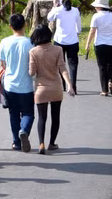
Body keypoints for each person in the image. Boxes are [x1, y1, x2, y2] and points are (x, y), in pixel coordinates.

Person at [29, 23, 74, 154]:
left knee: (42, 117)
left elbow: (32, 72)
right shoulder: (58, 49)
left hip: (41, 89)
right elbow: (63, 69)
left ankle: (41, 143)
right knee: (55, 117)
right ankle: (52, 143)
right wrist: (69, 85)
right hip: (56, 88)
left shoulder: (33, 52)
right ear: (49, 35)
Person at [0, 13, 36, 152]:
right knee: (28, 113)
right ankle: (24, 130)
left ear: (10, 26)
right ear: (25, 25)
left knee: (13, 114)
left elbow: (3, 65)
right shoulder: (30, 43)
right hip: (26, 85)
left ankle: (16, 143)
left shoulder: (4, 42)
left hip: (10, 84)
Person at [85, 0, 112, 96]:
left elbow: (92, 31)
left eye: (96, 6)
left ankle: (104, 90)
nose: (95, 8)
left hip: (99, 45)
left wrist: (87, 44)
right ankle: (110, 81)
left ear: (99, 7)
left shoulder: (96, 16)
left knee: (102, 66)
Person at [46, 0, 82, 93]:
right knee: (73, 65)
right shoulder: (75, 10)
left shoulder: (58, 10)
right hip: (73, 41)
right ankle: (73, 86)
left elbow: (49, 18)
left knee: (60, 64)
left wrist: (54, 6)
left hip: (59, 41)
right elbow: (79, 28)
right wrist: (76, 33)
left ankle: (64, 86)